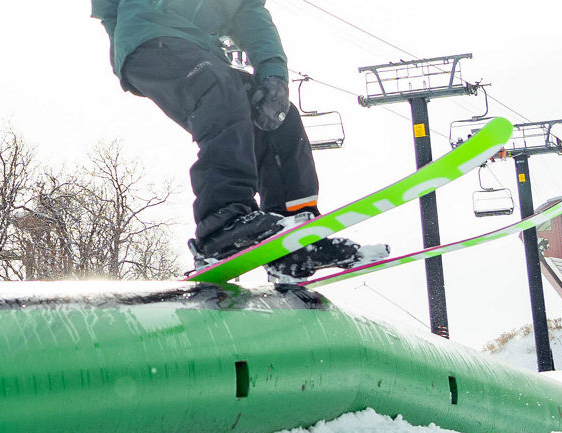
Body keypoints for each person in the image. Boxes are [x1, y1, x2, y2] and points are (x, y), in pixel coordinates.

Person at [91, 0, 374, 277]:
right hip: (150, 36)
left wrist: (273, 76)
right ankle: (222, 224)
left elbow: (250, 16)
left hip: (199, 48)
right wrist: (127, 30)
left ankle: (295, 228)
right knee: (221, 91)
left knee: (276, 115)